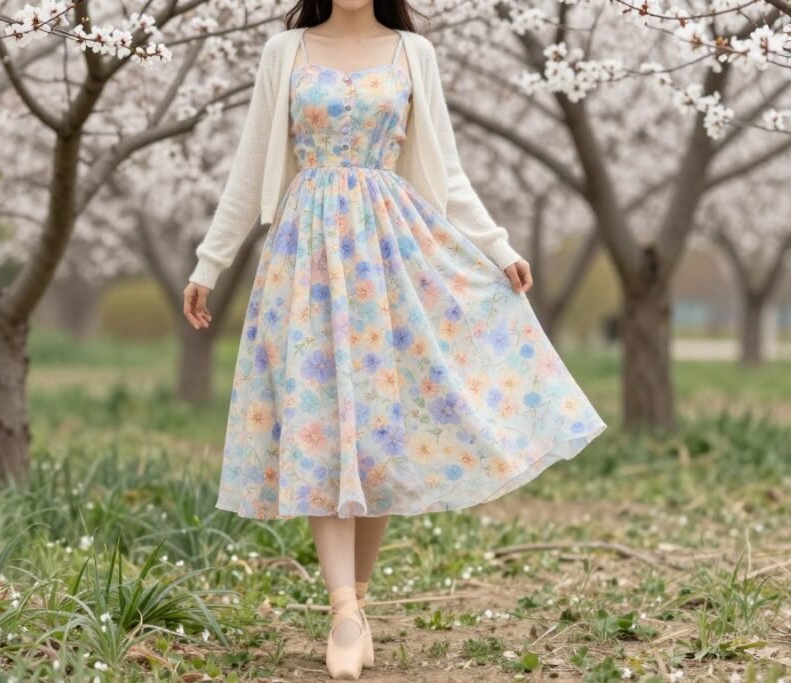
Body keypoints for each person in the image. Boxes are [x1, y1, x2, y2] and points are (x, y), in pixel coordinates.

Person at [182, 2, 608, 678]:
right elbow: (249, 165)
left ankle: (358, 603)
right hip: (307, 254)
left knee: (379, 429)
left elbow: (448, 168)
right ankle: (343, 608)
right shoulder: (283, 52)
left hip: (391, 251)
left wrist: (496, 248)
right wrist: (210, 261)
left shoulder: (415, 53)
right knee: (321, 423)